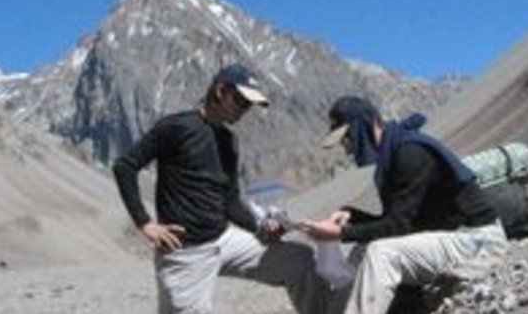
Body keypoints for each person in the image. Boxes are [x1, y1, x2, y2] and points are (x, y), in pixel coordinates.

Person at [113, 64, 332, 314]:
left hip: (223, 240)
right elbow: (125, 166)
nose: (245, 110)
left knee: (301, 260)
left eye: (250, 105)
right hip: (185, 253)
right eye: (241, 101)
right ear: (220, 91)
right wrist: (145, 223)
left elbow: (230, 202)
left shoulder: (229, 142)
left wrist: (261, 227)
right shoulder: (176, 127)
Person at [299, 95, 506, 314]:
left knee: (380, 253)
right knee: (363, 250)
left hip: (477, 241)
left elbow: (398, 227)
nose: (348, 148)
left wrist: (340, 233)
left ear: (365, 126)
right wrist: (353, 216)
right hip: (451, 238)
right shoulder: (394, 149)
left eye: (348, 137)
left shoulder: (409, 152)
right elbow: (399, 221)